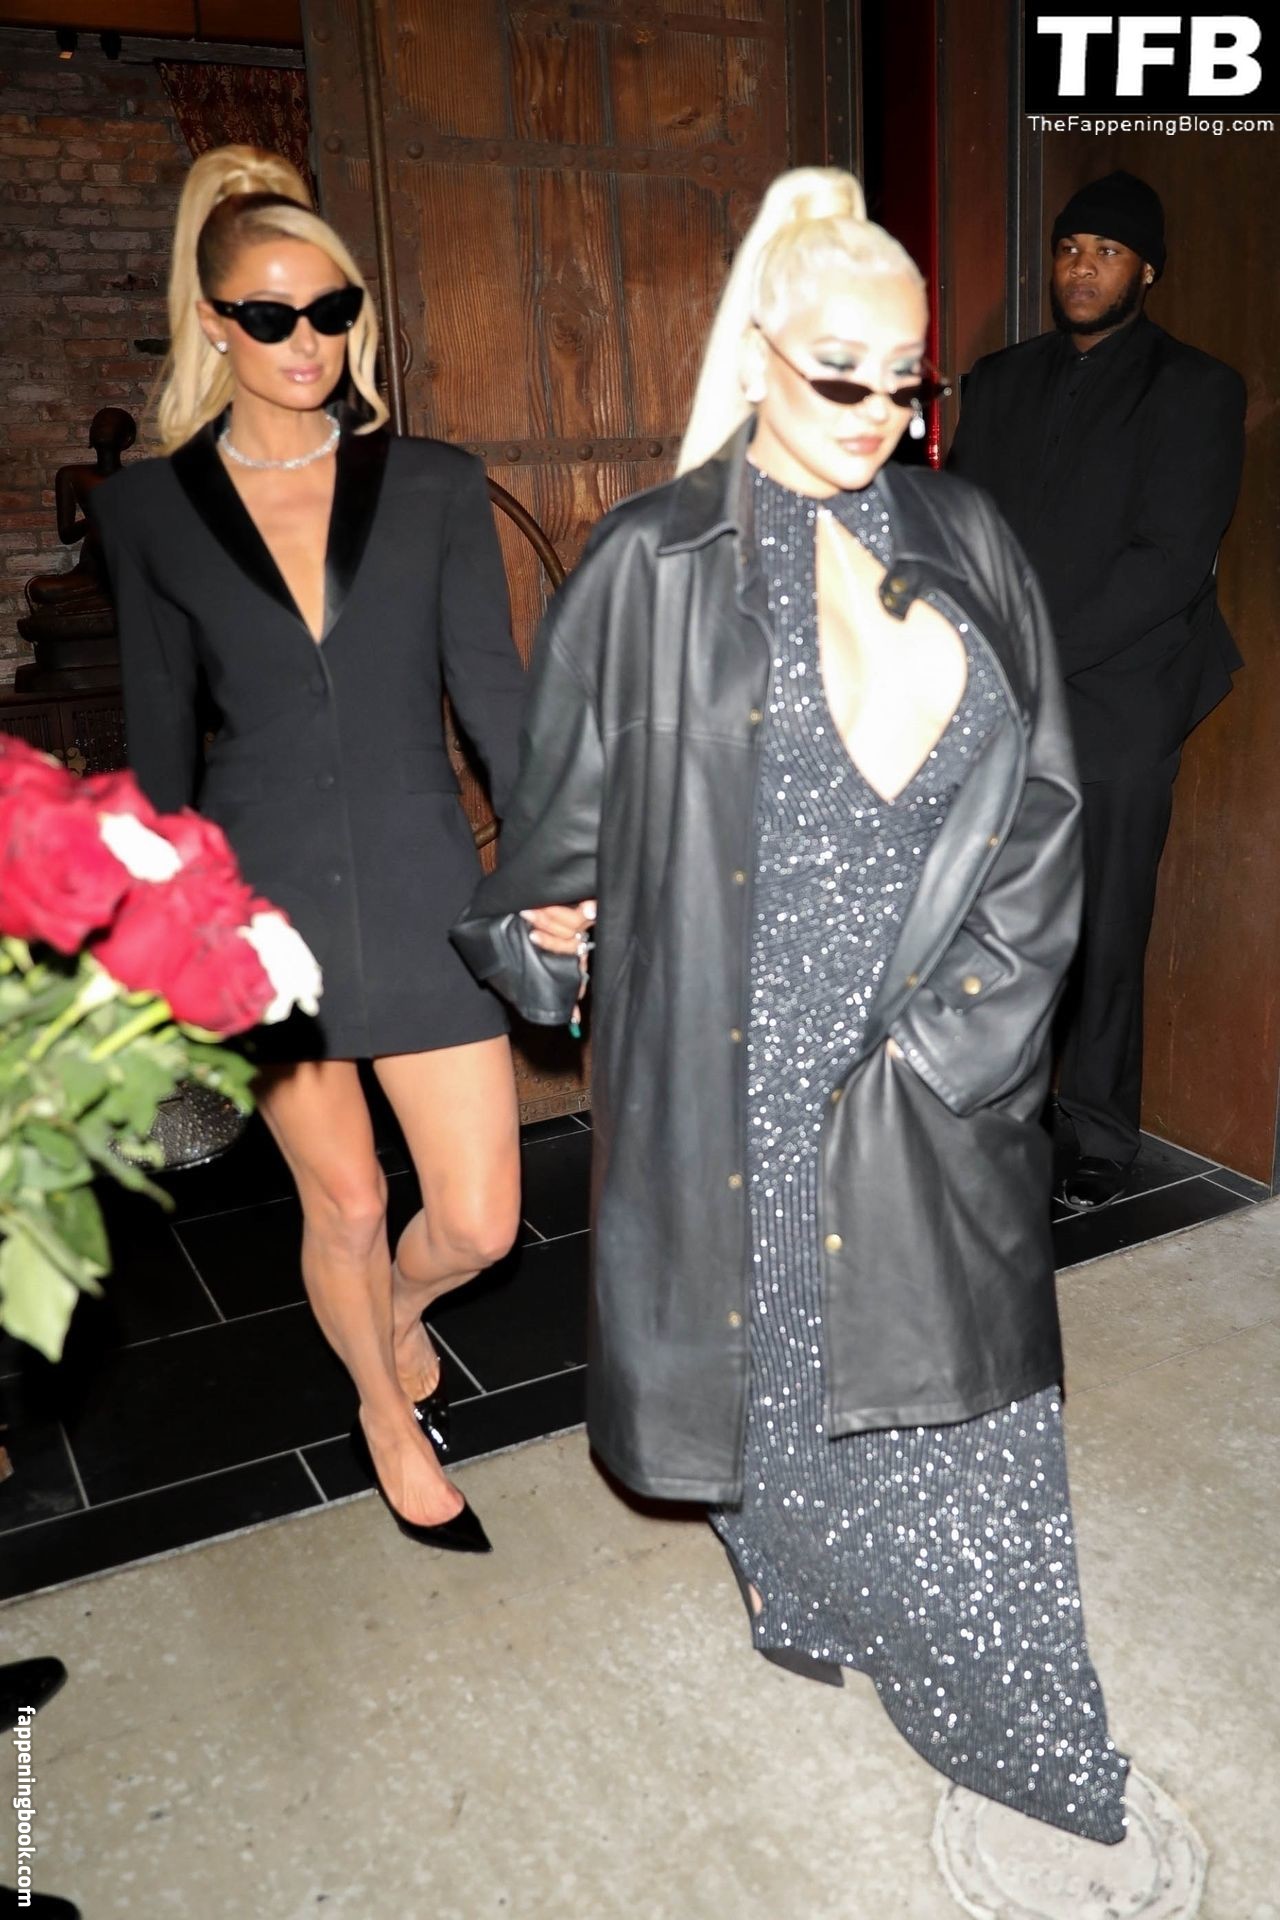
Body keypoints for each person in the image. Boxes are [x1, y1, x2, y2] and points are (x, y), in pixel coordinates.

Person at [454, 168, 1129, 1840]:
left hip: (938, 1055)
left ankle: (1029, 1725)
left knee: (971, 1417)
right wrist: (546, 936)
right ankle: (813, 1594)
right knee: (784, 1385)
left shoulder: (969, 535)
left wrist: (965, 1039)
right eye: (843, 375)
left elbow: (1050, 800)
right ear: (760, 349)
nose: (883, 415)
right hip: (737, 1065)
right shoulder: (649, 565)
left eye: (910, 380)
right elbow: (545, 854)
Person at [91, 146, 536, 1554]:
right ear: (212, 322)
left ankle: (392, 1313)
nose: (307, 342)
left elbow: (495, 701)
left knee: (478, 1219)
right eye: (272, 315)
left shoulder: (434, 485)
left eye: (332, 311)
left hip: (420, 882)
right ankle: (383, 1418)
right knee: (343, 1198)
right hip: (258, 906)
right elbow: (160, 741)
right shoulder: (148, 511)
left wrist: (548, 869)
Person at [948, 171, 1246, 1211]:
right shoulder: (999, 379)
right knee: (998, 915)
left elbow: (1170, 561)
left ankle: (1101, 1134)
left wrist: (1029, 655)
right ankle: (1002, 1111)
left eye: (1107, 253)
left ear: (1145, 270)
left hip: (1123, 692)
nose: (1081, 268)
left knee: (1107, 922)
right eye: (1070, 249)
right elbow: (961, 527)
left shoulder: (1196, 388)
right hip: (999, 690)